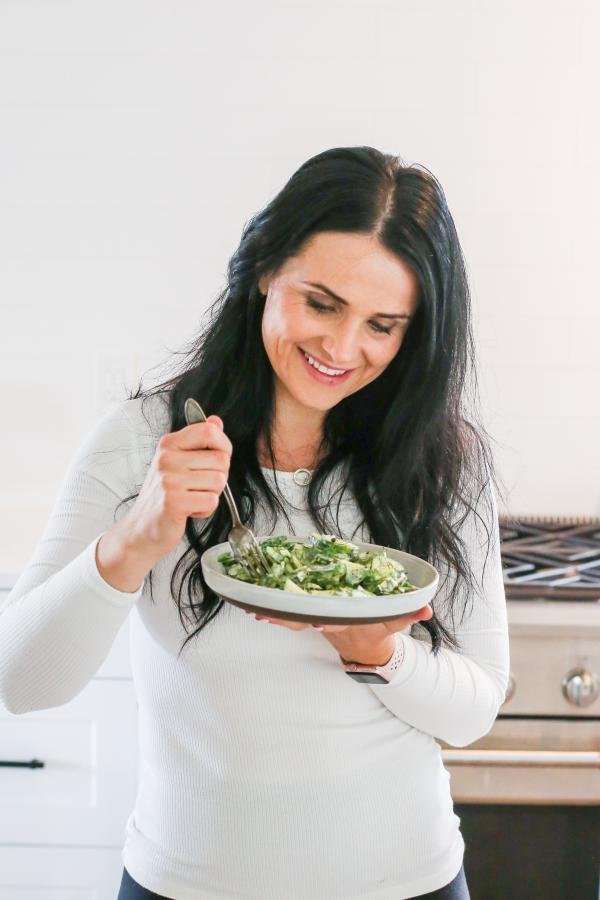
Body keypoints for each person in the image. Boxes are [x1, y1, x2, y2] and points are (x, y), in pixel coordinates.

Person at [0, 146, 509, 900]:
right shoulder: (144, 440)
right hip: (186, 884)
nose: (341, 348)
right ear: (267, 269)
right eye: (322, 303)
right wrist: (135, 541)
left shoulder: (441, 461)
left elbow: (474, 709)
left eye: (383, 325)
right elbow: (22, 681)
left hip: (406, 883)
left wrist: (382, 655)